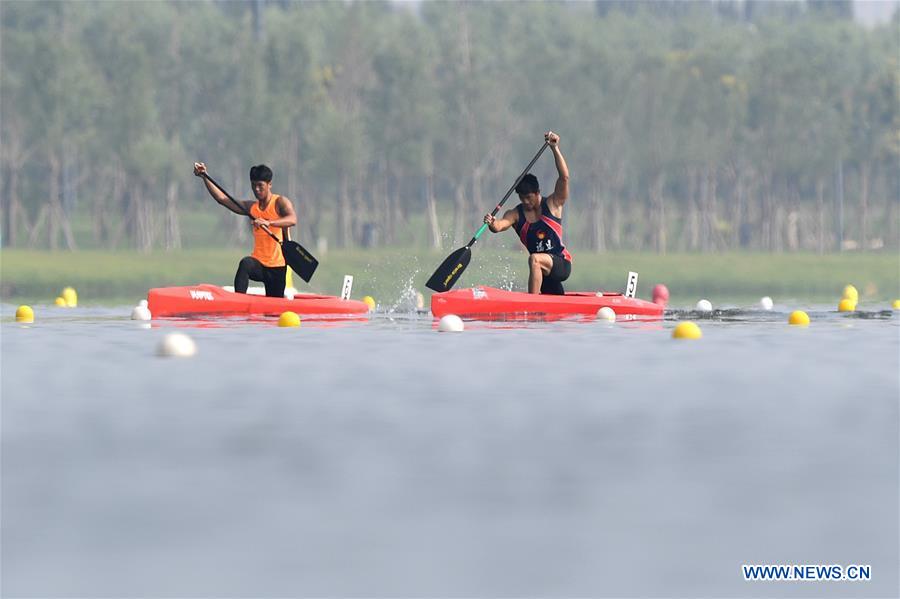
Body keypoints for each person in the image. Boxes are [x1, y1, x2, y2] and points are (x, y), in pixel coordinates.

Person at [484, 131, 571, 294]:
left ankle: (531, 303)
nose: (525, 201)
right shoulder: (516, 214)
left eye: (529, 197)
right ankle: (537, 306)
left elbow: (564, 178)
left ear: (537, 192)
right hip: (543, 275)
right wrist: (491, 222)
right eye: (521, 198)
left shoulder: (553, 204)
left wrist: (554, 148)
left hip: (561, 264)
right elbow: (498, 226)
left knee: (534, 259)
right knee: (552, 305)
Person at [193, 162, 297, 297]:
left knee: (273, 314)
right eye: (253, 185)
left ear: (269, 184)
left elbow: (292, 219)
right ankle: (239, 302)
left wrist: (268, 222)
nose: (257, 189)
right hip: (258, 263)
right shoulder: (251, 208)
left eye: (260, 185)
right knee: (245, 264)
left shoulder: (280, 203)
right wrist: (204, 177)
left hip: (277, 267)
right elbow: (222, 199)